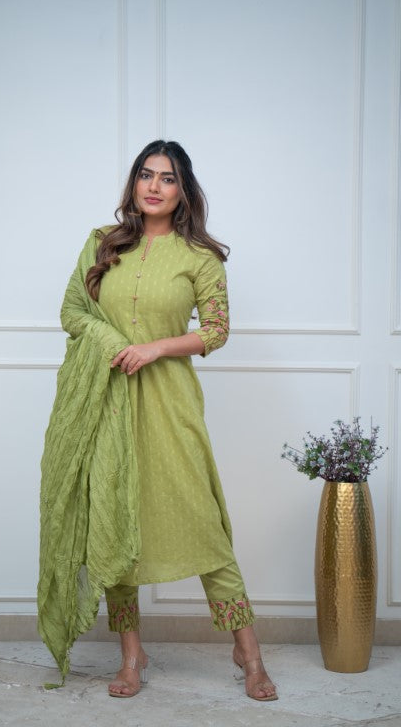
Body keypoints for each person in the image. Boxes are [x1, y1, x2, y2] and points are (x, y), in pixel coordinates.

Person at [37, 140, 277, 702]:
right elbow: (72, 310)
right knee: (114, 524)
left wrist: (155, 347)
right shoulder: (102, 243)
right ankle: (131, 656)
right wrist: (111, 339)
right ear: (134, 183)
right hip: (106, 404)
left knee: (205, 526)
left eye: (167, 178)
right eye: (146, 175)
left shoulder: (200, 258)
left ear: (182, 190)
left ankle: (249, 653)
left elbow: (216, 331)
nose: (154, 186)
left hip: (170, 406)